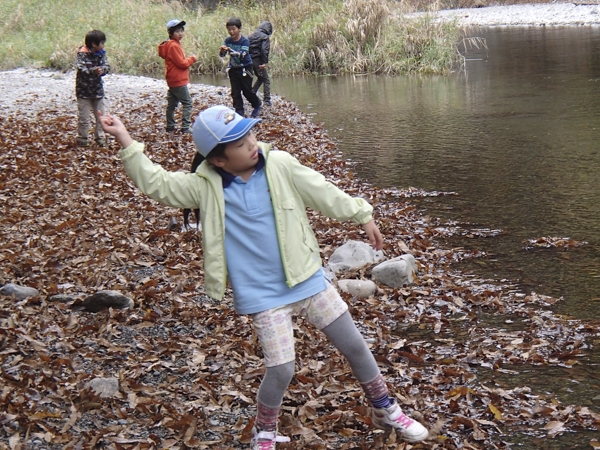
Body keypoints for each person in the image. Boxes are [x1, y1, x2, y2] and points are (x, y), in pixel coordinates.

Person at [98, 105, 429, 449]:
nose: (252, 144)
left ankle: (384, 408)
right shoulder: (204, 188)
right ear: (219, 161)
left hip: (308, 281)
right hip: (263, 296)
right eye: (240, 144)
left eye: (251, 135)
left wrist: (362, 214)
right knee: (282, 369)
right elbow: (158, 184)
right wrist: (125, 139)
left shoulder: (281, 165)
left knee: (355, 347)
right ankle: (266, 430)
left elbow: (322, 190)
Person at [158, 19, 197, 134]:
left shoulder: (170, 44)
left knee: (172, 104)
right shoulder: (174, 46)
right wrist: (192, 59)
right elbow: (182, 63)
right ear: (170, 33)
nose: (180, 34)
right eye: (177, 31)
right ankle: (185, 126)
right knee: (188, 102)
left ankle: (170, 125)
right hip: (178, 79)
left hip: (172, 79)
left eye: (181, 31)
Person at [219, 18, 262, 118]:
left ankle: (257, 104)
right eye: (229, 29)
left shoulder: (245, 41)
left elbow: (242, 54)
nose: (231, 32)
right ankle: (239, 111)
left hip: (245, 68)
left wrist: (231, 49)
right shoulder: (227, 40)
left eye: (234, 29)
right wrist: (222, 50)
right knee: (235, 91)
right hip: (233, 68)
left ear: (239, 29)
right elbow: (222, 55)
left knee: (247, 90)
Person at [75, 30, 110, 147]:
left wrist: (102, 70)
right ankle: (82, 138)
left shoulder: (101, 54)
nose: (103, 45)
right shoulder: (82, 54)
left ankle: (100, 138)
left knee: (100, 116)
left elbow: (106, 66)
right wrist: (93, 70)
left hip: (97, 91)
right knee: (84, 117)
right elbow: (81, 68)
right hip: (83, 91)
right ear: (94, 44)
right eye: (101, 43)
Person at [249, 21, 273, 107]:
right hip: (258, 60)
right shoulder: (265, 37)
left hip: (249, 60)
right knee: (266, 79)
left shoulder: (251, 36)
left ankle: (252, 93)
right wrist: (264, 62)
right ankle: (267, 99)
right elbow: (264, 50)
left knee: (260, 78)